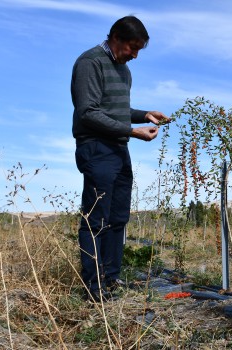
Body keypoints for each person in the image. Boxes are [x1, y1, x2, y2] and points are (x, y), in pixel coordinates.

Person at [71, 16, 169, 302]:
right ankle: (94, 287)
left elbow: (117, 109)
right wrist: (132, 130)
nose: (135, 55)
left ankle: (111, 280)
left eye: (139, 49)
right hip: (97, 148)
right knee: (96, 220)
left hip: (118, 148)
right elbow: (88, 112)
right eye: (131, 47)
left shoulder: (124, 70)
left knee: (117, 217)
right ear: (115, 37)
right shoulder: (90, 63)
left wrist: (144, 115)